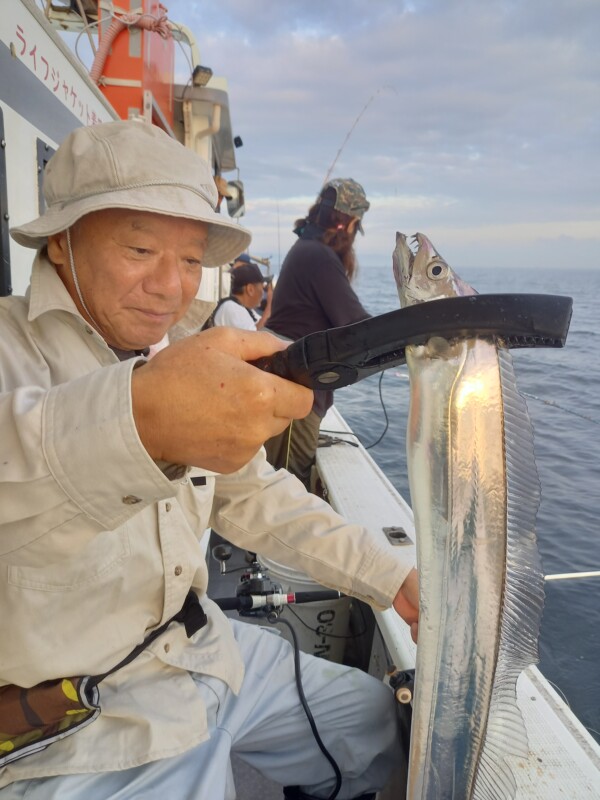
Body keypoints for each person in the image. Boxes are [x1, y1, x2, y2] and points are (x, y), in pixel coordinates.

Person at [0, 120, 418, 800]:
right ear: (60, 239)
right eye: (141, 248)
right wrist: (140, 423)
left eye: (192, 261)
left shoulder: (174, 355)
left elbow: (256, 496)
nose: (171, 287)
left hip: (202, 650)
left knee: (374, 720)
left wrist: (391, 578)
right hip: (76, 729)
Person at [264, 178, 371, 490]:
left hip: (289, 389)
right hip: (295, 396)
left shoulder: (305, 250)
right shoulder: (318, 256)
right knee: (288, 487)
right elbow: (356, 326)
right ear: (349, 223)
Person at [209, 261, 273, 330]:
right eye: (262, 288)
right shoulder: (232, 308)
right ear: (250, 289)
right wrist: (270, 305)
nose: (263, 292)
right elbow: (254, 337)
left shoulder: (244, 309)